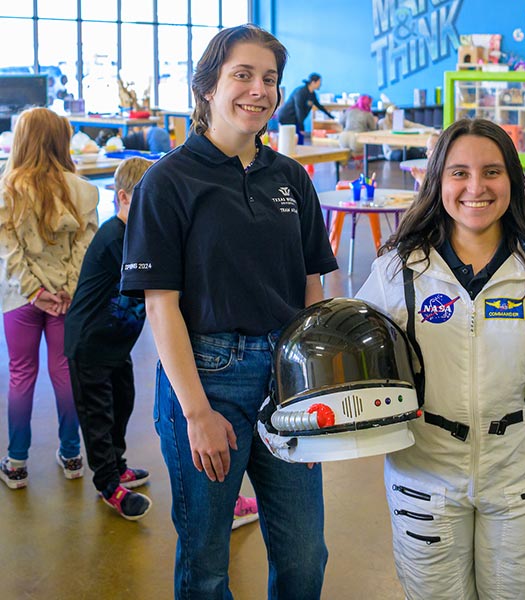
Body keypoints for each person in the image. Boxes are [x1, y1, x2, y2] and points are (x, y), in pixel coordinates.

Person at [120, 25, 336, 598]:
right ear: (208, 86)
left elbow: (312, 283)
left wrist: (310, 388)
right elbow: (161, 305)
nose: (258, 91)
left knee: (305, 554)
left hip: (287, 379)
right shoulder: (168, 182)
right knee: (207, 560)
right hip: (206, 376)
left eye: (269, 79)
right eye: (242, 75)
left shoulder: (291, 178)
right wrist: (196, 414)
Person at [356, 118, 525, 599]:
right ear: (437, 182)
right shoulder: (397, 273)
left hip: (521, 482)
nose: (476, 187)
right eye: (459, 172)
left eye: (491, 172)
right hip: (424, 478)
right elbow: (356, 374)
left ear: (512, 179)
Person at [0, 107, 99, 489]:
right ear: (62, 140)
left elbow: (8, 252)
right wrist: (65, 292)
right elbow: (85, 249)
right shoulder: (82, 189)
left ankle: (17, 462)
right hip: (66, 300)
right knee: (64, 373)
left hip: (20, 299)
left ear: (21, 140)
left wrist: (34, 291)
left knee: (21, 375)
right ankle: (73, 455)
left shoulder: (7, 189)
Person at [64, 157, 154, 519]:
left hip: (117, 345)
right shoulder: (113, 237)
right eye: (146, 205)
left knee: (123, 404)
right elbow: (153, 278)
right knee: (98, 417)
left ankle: (118, 466)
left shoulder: (135, 234)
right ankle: (108, 484)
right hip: (91, 346)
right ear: (123, 198)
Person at [279, 72, 334, 142]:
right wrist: (302, 127)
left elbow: (319, 106)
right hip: (287, 117)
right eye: (319, 82)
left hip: (296, 119)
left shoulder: (312, 94)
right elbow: (299, 109)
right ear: (313, 82)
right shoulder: (301, 92)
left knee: (299, 140)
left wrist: (331, 116)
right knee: (292, 141)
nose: (320, 84)